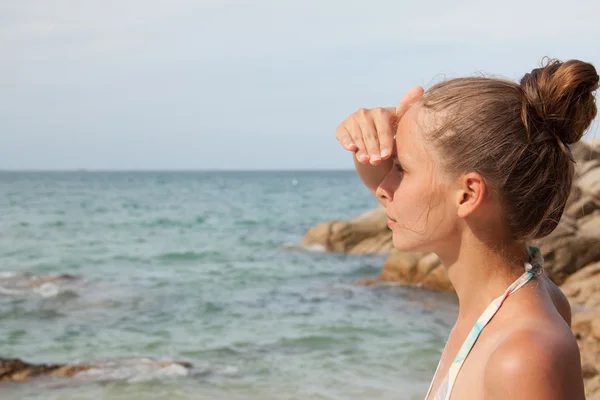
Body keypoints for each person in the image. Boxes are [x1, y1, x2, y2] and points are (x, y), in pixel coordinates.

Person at [335, 59, 599, 400]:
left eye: (401, 167)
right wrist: (372, 140)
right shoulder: (529, 301)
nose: (384, 189)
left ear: (468, 194)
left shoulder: (522, 357)